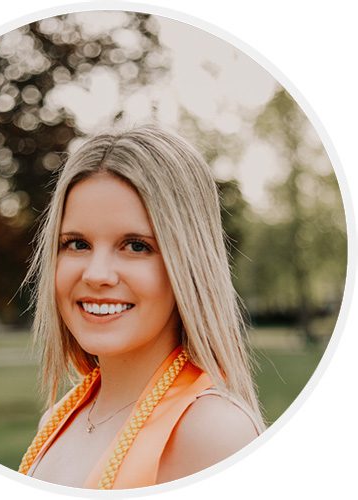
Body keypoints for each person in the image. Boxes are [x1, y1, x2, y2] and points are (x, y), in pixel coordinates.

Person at [18, 125, 265, 489]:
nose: (97, 274)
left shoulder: (211, 433)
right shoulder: (56, 421)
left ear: (188, 263)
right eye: (76, 244)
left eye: (136, 246)